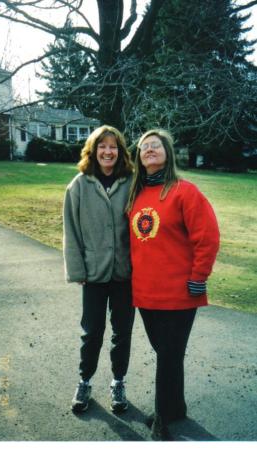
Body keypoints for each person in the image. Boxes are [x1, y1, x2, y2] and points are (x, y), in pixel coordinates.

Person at [126, 129, 220, 440]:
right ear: (139, 157)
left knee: (168, 354)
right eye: (144, 147)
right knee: (167, 353)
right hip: (145, 292)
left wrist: (198, 277)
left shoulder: (185, 192)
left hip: (179, 293)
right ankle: (175, 407)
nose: (149, 150)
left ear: (167, 152)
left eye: (155, 146)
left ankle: (163, 420)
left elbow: (207, 237)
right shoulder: (136, 194)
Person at [63, 125, 135, 414]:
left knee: (123, 332)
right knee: (92, 331)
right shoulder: (79, 185)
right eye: (102, 146)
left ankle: (118, 382)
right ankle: (84, 381)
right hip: (93, 273)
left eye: (113, 146)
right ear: (92, 151)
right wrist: (78, 270)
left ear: (120, 152)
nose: (108, 151)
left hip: (125, 274)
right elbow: (71, 231)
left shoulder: (131, 183)